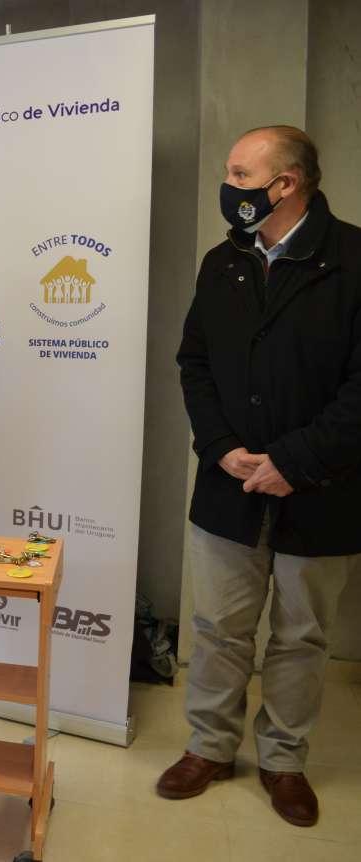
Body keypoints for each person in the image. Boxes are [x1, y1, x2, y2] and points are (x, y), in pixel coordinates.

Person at [162, 125, 361, 827]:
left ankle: (283, 760)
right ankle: (209, 747)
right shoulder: (224, 262)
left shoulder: (354, 260)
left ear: (286, 184)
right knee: (218, 628)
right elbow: (194, 363)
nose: (229, 185)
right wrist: (219, 446)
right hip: (230, 484)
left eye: (240, 174)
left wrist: (295, 462)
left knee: (302, 636)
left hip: (323, 489)